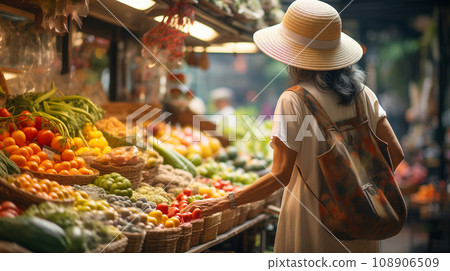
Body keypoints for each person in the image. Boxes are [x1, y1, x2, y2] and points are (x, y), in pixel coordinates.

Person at [182, 0, 404, 253]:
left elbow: (280, 174)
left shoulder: (294, 99)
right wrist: (358, 189)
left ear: (295, 57)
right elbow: (396, 154)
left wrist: (224, 201)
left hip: (312, 224)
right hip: (363, 223)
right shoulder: (365, 96)